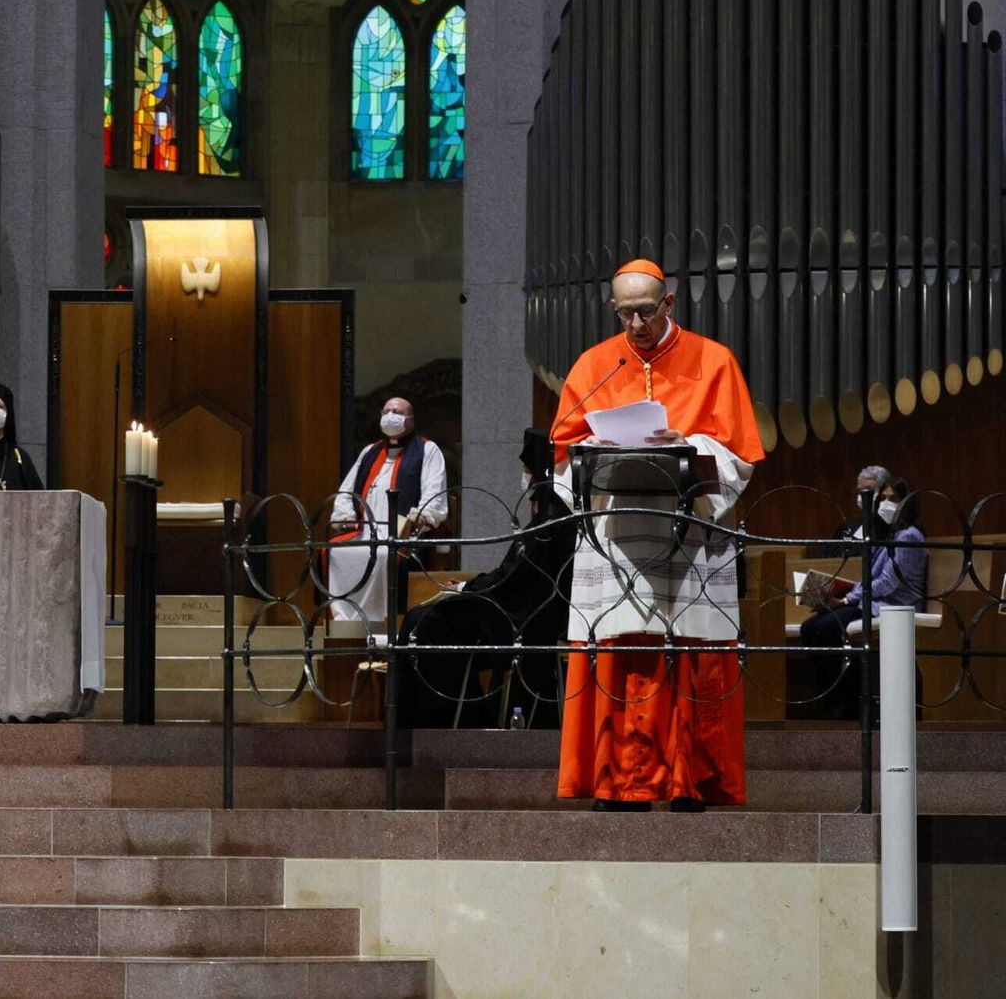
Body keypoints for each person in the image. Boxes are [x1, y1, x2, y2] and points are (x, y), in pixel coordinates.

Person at [550, 258, 766, 812]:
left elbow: (739, 452)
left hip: (689, 530)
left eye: (646, 311)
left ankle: (689, 779)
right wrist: (597, 453)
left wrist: (687, 447)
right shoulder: (595, 364)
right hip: (618, 529)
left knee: (689, 652)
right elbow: (562, 453)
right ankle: (621, 781)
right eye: (625, 314)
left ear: (669, 304)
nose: (636, 325)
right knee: (622, 651)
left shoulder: (713, 361)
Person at [397, 427, 574, 729]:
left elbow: (518, 581)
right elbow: (515, 574)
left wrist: (468, 587)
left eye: (525, 468)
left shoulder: (552, 516)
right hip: (510, 604)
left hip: (520, 617)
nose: (522, 473)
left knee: (423, 624)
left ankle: (448, 724)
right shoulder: (548, 511)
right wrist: (474, 586)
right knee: (422, 619)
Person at [799, 478, 927, 719]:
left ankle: (846, 695)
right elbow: (871, 579)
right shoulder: (889, 534)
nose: (887, 504)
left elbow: (888, 582)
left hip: (891, 606)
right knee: (811, 627)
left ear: (906, 504)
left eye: (893, 500)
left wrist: (847, 599)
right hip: (872, 601)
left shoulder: (909, 536)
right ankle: (841, 694)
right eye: (884, 499)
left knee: (822, 629)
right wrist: (838, 591)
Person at [326, 396, 448, 628]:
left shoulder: (427, 449)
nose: (391, 416)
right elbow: (347, 491)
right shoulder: (370, 452)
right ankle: (345, 622)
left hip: (403, 533)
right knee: (335, 553)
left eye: (398, 412)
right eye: (387, 411)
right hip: (365, 531)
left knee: (384, 555)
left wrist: (421, 516)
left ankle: (383, 622)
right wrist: (345, 514)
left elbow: (434, 493)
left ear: (411, 420)